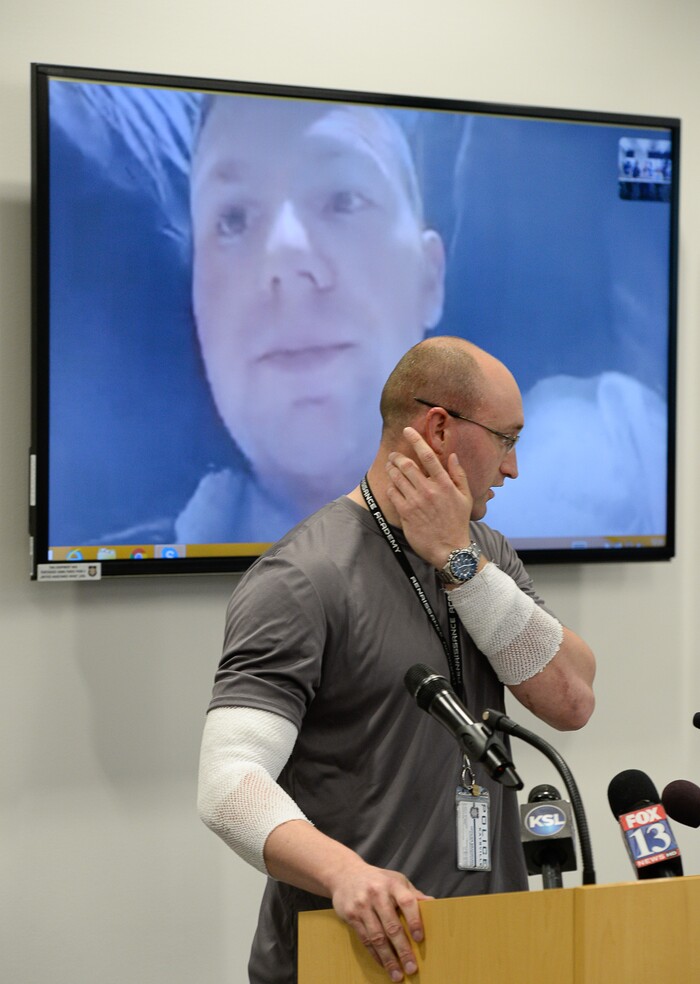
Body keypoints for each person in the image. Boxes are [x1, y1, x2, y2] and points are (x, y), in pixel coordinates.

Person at [197, 336, 596, 983]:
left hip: (484, 949)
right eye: (505, 439)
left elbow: (572, 699)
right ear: (440, 428)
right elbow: (227, 783)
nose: (513, 467)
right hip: (352, 959)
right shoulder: (303, 576)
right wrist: (345, 873)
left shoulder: (482, 551)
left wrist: (459, 565)